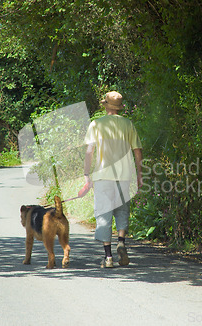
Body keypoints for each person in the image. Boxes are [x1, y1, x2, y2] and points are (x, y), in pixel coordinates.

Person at [84, 91, 143, 268]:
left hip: (103, 176)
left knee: (103, 214)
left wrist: (87, 174)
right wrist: (140, 175)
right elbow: (137, 151)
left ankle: (108, 257)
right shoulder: (128, 124)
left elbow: (89, 152)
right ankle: (122, 242)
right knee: (122, 211)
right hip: (124, 176)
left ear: (106, 106)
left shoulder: (96, 124)